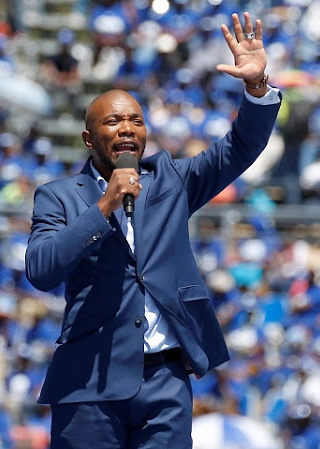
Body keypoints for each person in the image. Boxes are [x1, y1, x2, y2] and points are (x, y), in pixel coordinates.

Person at [25, 12, 281, 449]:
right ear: (89, 139)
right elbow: (42, 269)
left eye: (136, 121)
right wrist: (104, 206)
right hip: (89, 381)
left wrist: (256, 87)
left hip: (165, 381)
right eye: (113, 122)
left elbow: (238, 149)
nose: (127, 129)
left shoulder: (171, 181)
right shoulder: (58, 196)